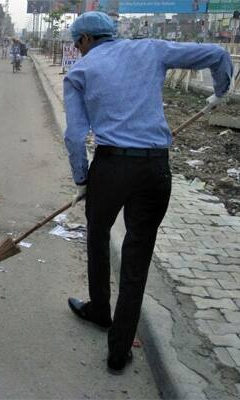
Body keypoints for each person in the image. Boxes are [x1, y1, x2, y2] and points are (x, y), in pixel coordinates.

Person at [63, 11, 232, 375]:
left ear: (86, 40)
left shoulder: (78, 73)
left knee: (97, 234)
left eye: (77, 44)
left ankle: (99, 309)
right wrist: (220, 91)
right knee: (137, 258)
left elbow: (75, 136)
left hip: (109, 168)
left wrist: (81, 180)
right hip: (155, 168)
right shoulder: (150, 49)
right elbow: (218, 55)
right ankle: (118, 351)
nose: (78, 52)